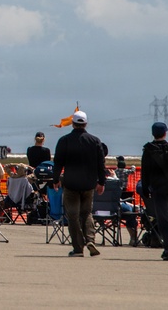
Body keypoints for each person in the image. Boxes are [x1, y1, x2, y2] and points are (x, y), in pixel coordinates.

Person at [52, 110, 105, 257]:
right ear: (86, 124)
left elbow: (58, 162)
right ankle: (90, 239)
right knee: (87, 213)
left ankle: (78, 248)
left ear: (73, 124)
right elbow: (101, 163)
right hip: (89, 184)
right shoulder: (95, 141)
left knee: (73, 215)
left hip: (71, 183)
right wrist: (101, 181)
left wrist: (55, 179)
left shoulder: (64, 140)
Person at [140, 122, 168, 261]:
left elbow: (145, 172)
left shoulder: (148, 150)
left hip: (158, 188)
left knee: (163, 219)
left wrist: (145, 188)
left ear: (153, 133)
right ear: (165, 133)